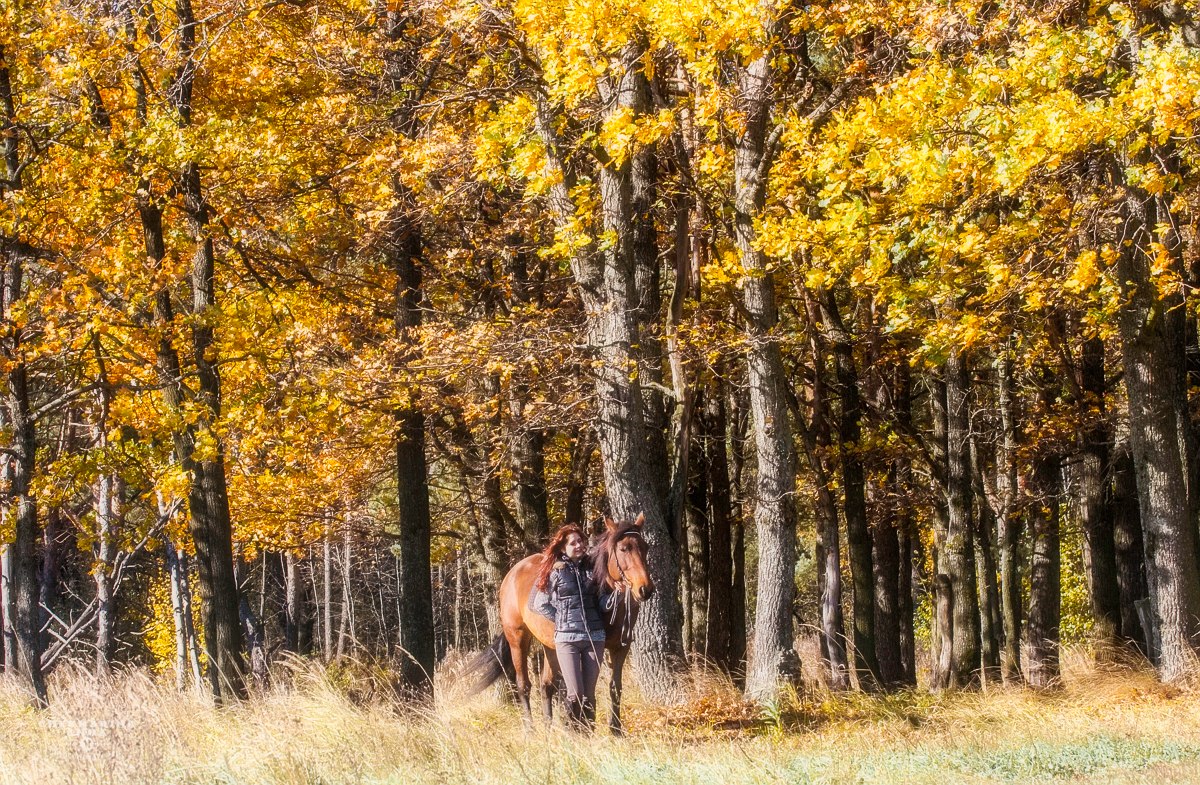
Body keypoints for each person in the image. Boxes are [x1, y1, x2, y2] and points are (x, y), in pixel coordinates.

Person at [534, 524, 609, 731]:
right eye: (573, 542)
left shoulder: (594, 568)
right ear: (563, 547)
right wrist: (561, 619)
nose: (579, 545)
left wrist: (617, 596)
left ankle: (588, 735)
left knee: (589, 694)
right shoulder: (555, 571)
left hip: (595, 637)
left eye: (581, 541)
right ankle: (572, 733)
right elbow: (540, 603)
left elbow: (602, 603)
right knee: (575, 693)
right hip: (567, 639)